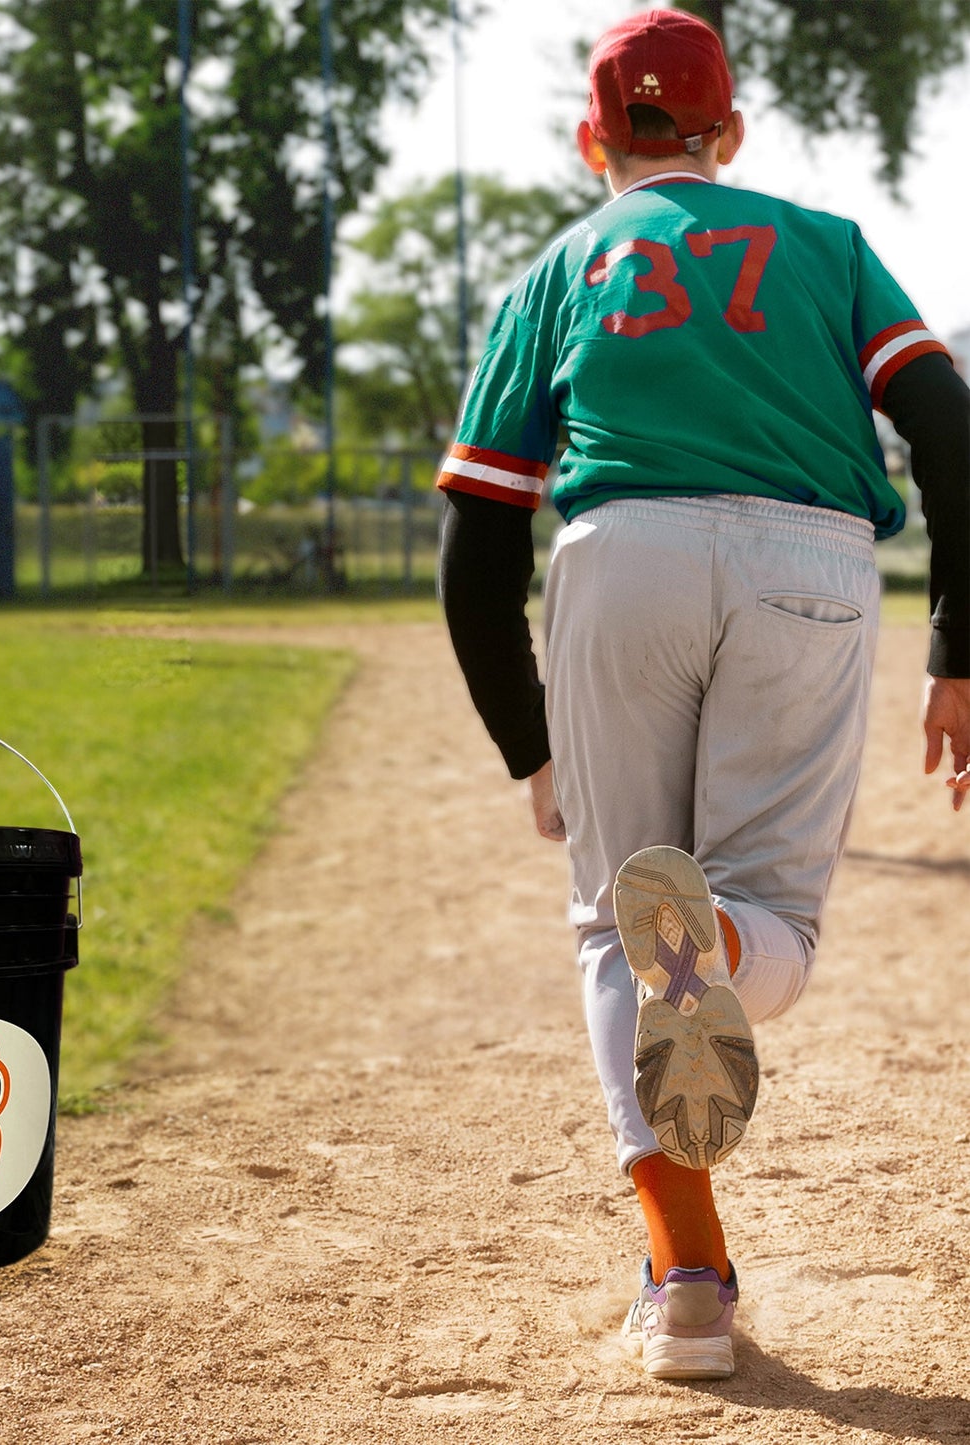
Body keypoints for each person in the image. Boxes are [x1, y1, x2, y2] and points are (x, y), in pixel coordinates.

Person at [436, 8, 970, 1383]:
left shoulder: (558, 270)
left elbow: (479, 530)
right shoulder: (827, 247)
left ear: (589, 136)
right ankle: (723, 941)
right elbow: (950, 428)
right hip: (813, 558)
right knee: (762, 922)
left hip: (622, 559)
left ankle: (688, 1289)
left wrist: (526, 739)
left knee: (623, 932)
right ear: (728, 134)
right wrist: (959, 646)